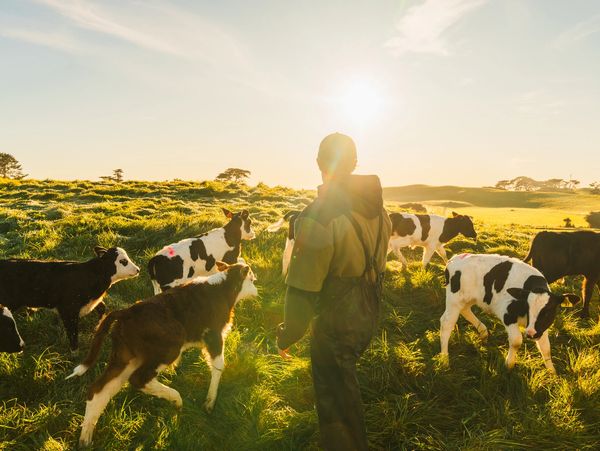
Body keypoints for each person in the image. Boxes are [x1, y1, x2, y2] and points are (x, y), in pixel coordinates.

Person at [276, 133, 391, 451]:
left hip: (334, 324)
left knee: (336, 402)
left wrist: (288, 334)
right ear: (355, 163)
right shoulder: (382, 212)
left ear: (317, 164)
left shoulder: (318, 216)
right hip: (368, 313)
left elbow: (301, 290)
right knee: (345, 384)